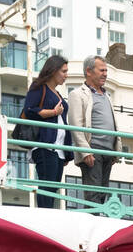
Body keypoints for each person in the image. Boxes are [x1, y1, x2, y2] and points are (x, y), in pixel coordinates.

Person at [68, 54, 122, 205]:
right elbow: (75, 126)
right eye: (101, 70)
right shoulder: (77, 94)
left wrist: (115, 152)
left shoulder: (107, 96)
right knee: (93, 197)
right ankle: (91, 226)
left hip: (108, 152)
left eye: (106, 70)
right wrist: (86, 152)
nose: (105, 74)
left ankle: (98, 226)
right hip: (93, 151)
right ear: (89, 71)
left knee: (102, 196)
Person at [22, 55, 72, 209]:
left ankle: (48, 216)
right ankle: (44, 218)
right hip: (45, 145)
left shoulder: (57, 93)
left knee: (53, 188)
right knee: (47, 185)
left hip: (59, 149)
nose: (66, 75)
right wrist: (53, 112)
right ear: (54, 71)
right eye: (63, 71)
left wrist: (68, 151)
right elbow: (29, 110)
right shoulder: (39, 88)